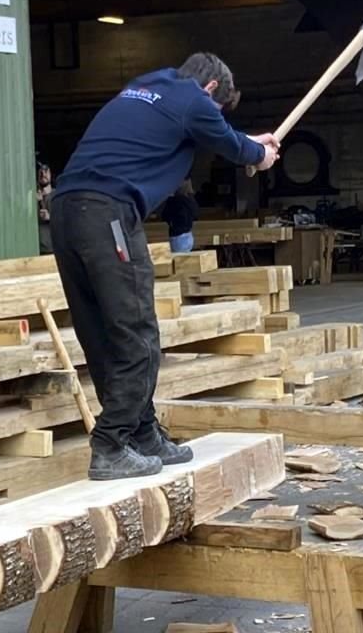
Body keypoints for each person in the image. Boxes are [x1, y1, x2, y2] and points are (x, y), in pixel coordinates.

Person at [49, 53, 279, 480]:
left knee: (100, 331)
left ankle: (141, 432)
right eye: (218, 108)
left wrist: (248, 143)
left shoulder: (148, 87)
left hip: (66, 210)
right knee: (137, 332)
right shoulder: (195, 100)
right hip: (109, 212)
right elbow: (229, 143)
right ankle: (111, 442)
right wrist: (257, 155)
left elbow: (218, 135)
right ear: (211, 89)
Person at [160, 179, 198, 253]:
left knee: (177, 259)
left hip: (177, 234)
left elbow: (164, 215)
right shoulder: (191, 201)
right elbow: (196, 213)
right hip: (189, 234)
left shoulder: (173, 201)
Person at [37, 163, 54, 255]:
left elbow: (66, 220)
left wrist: (50, 217)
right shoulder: (31, 197)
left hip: (53, 248)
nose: (43, 174)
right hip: (36, 249)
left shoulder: (57, 196)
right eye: (41, 172)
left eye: (46, 171)